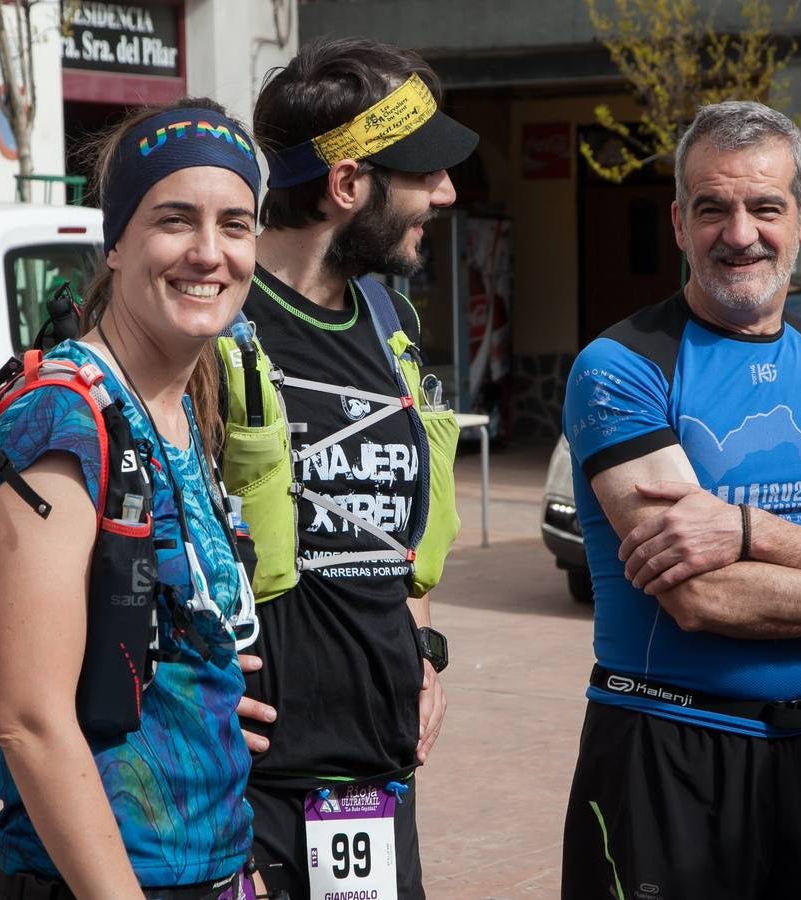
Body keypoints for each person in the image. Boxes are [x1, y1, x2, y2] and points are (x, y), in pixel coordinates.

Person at [560, 100, 801, 900]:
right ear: (677, 221)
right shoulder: (621, 366)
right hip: (665, 751)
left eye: (764, 207)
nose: (739, 234)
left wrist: (742, 528)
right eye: (712, 209)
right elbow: (701, 597)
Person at [0, 97, 262, 898]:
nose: (209, 253)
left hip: (211, 869)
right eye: (176, 220)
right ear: (115, 242)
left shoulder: (183, 401)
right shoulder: (59, 417)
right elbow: (28, 722)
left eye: (234, 224)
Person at [232, 37, 477, 899]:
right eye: (423, 174)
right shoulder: (218, 322)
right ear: (346, 186)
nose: (445, 193)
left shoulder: (389, 316)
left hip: (374, 782)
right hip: (246, 786)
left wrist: (424, 648)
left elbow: (401, 523)